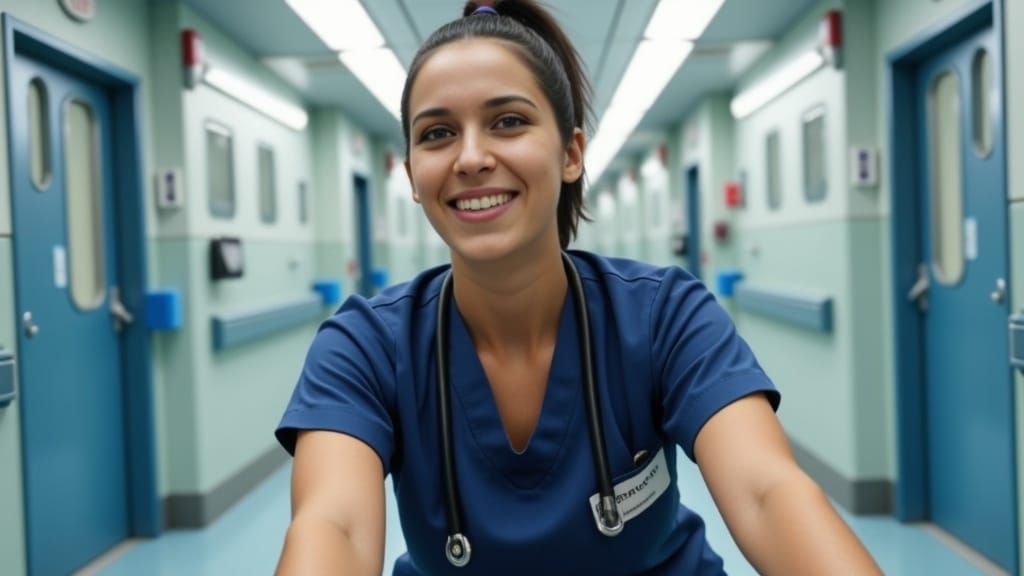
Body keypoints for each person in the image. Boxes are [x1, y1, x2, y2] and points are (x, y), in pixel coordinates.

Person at [274, 1, 882, 574]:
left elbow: (767, 492)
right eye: (437, 133)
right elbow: (334, 526)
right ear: (412, 175)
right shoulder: (365, 345)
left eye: (508, 122)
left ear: (571, 154)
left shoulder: (664, 315)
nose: (471, 157)